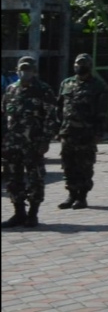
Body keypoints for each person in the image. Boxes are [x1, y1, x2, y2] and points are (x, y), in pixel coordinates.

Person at [1, 56, 58, 228]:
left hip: (34, 143)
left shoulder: (43, 90)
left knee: (35, 178)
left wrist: (46, 140)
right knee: (13, 179)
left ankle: (33, 214)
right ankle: (19, 212)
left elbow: (51, 118)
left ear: (34, 71)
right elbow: (4, 115)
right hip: (12, 144)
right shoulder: (11, 90)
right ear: (17, 71)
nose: (24, 73)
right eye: (22, 69)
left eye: (28, 69)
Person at [56, 53, 108, 210]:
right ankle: (71, 194)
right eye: (78, 63)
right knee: (68, 164)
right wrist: (58, 128)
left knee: (84, 166)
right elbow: (59, 106)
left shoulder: (97, 85)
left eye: (83, 64)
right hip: (68, 132)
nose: (80, 66)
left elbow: (102, 112)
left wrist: (98, 133)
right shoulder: (66, 83)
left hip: (86, 133)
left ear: (89, 66)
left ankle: (82, 196)